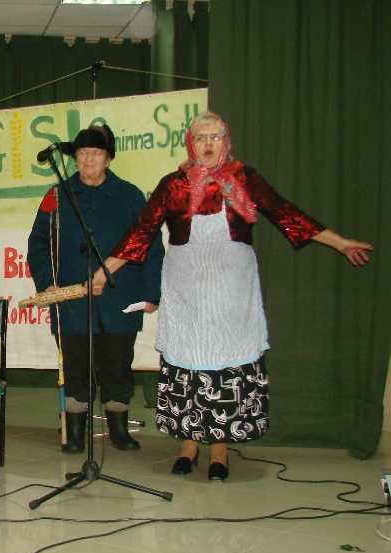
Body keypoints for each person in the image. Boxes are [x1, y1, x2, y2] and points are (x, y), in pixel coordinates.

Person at [91, 111, 373, 481]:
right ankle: (188, 446)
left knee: (224, 370)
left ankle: (220, 451)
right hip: (187, 289)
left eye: (215, 137)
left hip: (231, 292)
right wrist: (105, 270)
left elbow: (285, 213)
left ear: (225, 141)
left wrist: (339, 243)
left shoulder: (244, 179)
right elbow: (141, 231)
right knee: (189, 365)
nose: (208, 144)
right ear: (191, 144)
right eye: (201, 137)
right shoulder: (172, 185)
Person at [27, 124, 165, 454]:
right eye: (82, 153)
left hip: (121, 298)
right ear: (74, 159)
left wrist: (151, 291)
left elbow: (151, 244)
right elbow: (38, 244)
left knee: (118, 365)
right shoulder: (56, 196)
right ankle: (75, 432)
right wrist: (48, 284)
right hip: (71, 301)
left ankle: (119, 429)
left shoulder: (130, 195)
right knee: (76, 367)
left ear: (108, 159)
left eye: (96, 153)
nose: (89, 159)